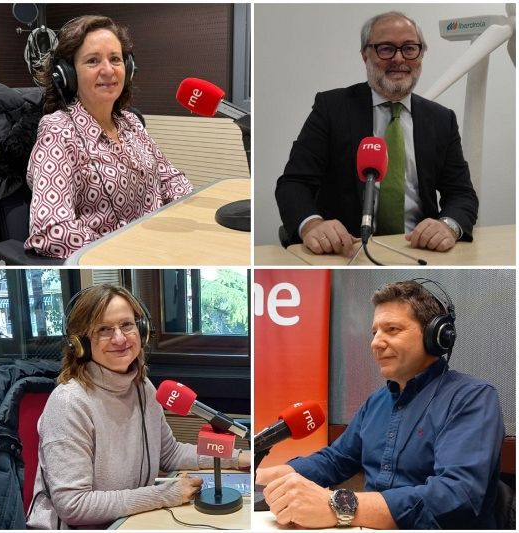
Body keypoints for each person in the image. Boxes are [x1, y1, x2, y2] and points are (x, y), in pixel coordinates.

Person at [256, 280, 504, 529]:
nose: (376, 343)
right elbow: (337, 458)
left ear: (435, 335)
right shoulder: (376, 402)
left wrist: (339, 506)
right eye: (375, 332)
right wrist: (285, 474)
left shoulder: (472, 398)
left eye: (392, 329)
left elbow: (456, 495)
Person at [25, 284, 250, 528]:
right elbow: (74, 505)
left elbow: (169, 454)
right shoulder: (69, 403)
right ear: (81, 344)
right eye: (104, 329)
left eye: (126, 325)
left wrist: (237, 458)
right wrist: (163, 495)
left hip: (128, 521)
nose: (120, 338)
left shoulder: (142, 388)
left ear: (141, 330)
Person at [275, 11, 478, 257]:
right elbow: (294, 183)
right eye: (386, 49)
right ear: (365, 55)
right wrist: (312, 224)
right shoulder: (332, 107)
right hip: (346, 250)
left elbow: (461, 194)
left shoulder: (442, 119)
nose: (399, 58)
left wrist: (449, 226)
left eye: (409, 48)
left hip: (416, 250)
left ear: (421, 54)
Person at [24, 16, 193, 258]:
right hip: (122, 256)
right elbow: (51, 230)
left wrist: (192, 213)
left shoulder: (130, 122)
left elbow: (170, 179)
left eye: (115, 59)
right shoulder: (58, 131)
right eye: (93, 61)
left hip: (163, 250)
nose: (108, 70)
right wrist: (123, 250)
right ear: (67, 74)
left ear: (129, 68)